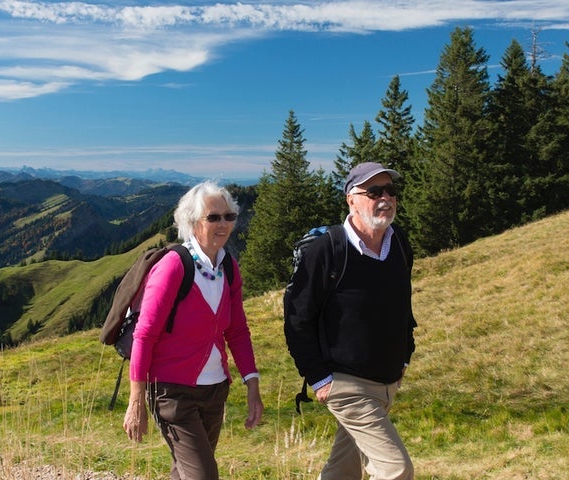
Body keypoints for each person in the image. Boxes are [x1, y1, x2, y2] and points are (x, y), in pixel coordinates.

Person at [283, 162, 418, 480]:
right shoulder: (327, 250)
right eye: (374, 191)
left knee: (342, 471)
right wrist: (318, 378)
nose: (385, 198)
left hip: (386, 380)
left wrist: (404, 358)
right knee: (396, 470)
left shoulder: (398, 244)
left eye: (390, 191)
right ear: (351, 199)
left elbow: (402, 304)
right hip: (345, 383)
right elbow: (297, 319)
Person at [123, 181, 264, 480]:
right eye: (213, 217)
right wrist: (136, 399)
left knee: (186, 471)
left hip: (215, 390)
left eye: (229, 216)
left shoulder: (229, 268)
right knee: (203, 475)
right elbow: (144, 334)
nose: (223, 224)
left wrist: (252, 383)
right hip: (172, 392)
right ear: (192, 223)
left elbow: (237, 330)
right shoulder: (174, 266)